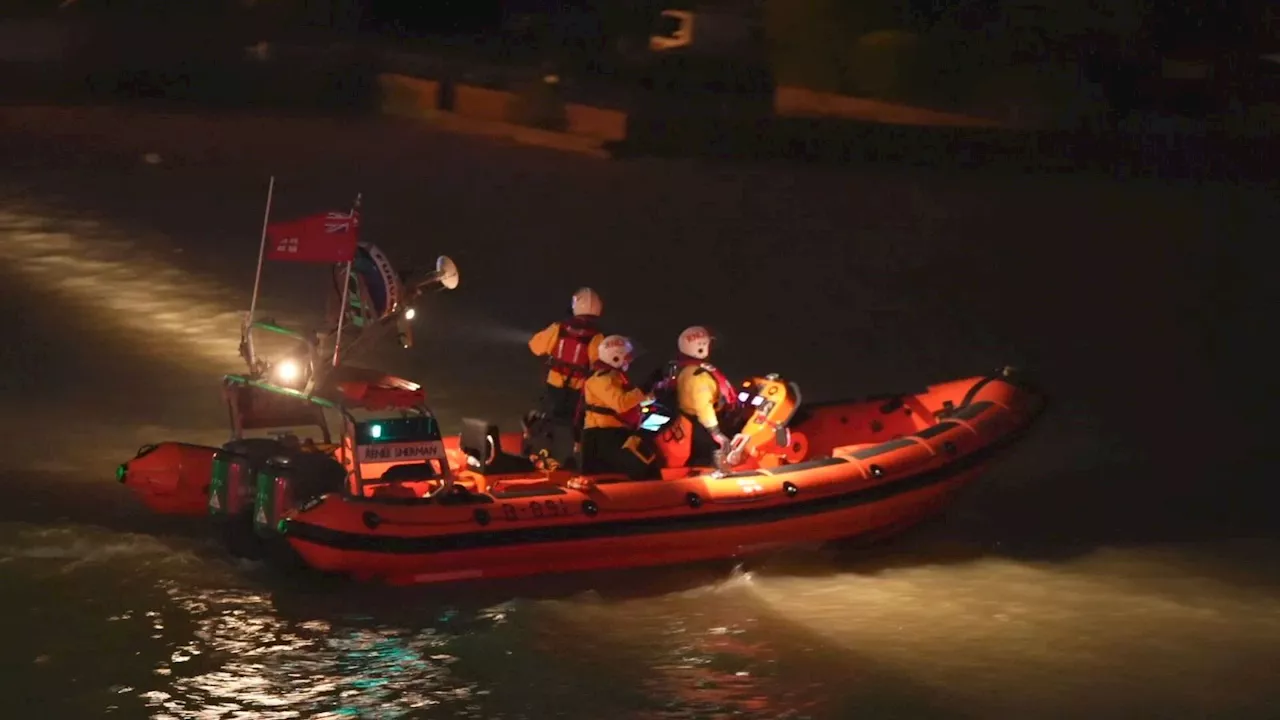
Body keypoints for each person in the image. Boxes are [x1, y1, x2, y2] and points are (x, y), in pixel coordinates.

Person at [527, 287, 605, 425]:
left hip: (554, 384)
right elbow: (599, 366)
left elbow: (535, 346)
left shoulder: (559, 328)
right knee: (575, 422)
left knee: (548, 417)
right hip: (578, 390)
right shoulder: (596, 337)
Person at [579, 335, 649, 474]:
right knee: (605, 478)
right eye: (627, 357)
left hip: (613, 434)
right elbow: (621, 403)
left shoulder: (613, 376)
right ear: (616, 357)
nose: (630, 360)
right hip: (602, 437)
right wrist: (644, 389)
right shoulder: (601, 379)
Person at [673, 325, 740, 467]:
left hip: (688, 420)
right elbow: (704, 406)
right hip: (701, 425)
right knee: (711, 455)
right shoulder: (699, 376)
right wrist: (716, 433)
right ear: (700, 348)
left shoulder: (685, 369)